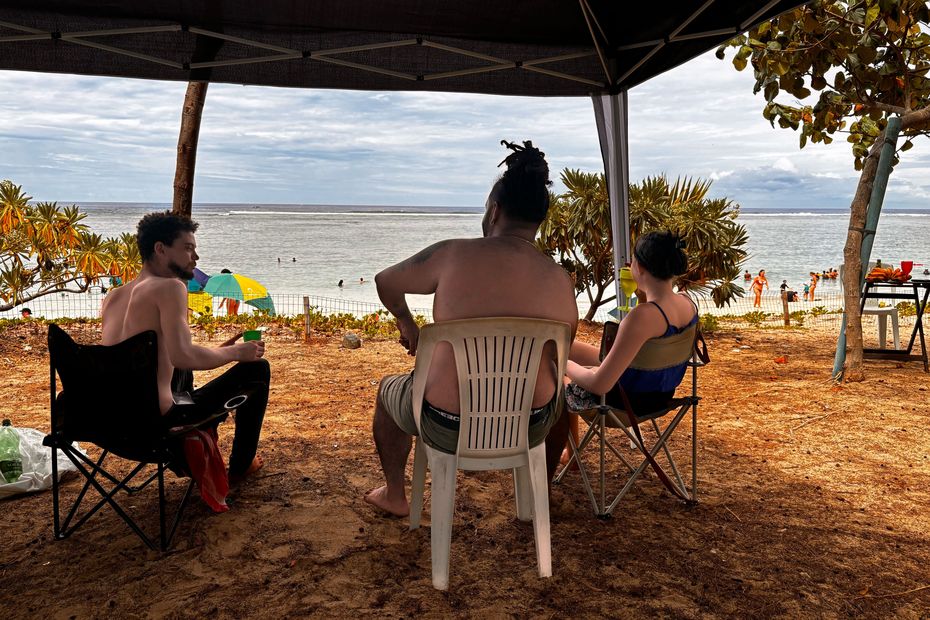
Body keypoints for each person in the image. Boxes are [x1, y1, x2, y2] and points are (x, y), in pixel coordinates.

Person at [365, 140, 578, 517]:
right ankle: (536, 496)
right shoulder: (560, 280)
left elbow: (386, 281)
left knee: (387, 391)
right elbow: (556, 361)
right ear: (539, 219)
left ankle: (396, 495)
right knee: (559, 398)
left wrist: (407, 322)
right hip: (527, 426)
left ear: (494, 211)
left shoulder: (452, 255)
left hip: (445, 424)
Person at [100, 211, 269, 483]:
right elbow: (182, 355)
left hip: (110, 423)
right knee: (257, 370)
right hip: (156, 424)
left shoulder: (113, 297)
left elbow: (152, 356)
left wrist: (216, 350)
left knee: (185, 378)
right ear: (160, 249)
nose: (196, 257)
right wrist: (237, 352)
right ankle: (242, 464)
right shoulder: (170, 287)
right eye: (188, 248)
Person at [563, 231, 697, 421]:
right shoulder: (688, 304)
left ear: (639, 267)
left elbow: (600, 385)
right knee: (567, 346)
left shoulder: (640, 317)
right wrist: (642, 297)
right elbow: (646, 346)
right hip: (660, 396)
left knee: (556, 373)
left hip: (622, 404)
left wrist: (563, 364)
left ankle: (566, 449)